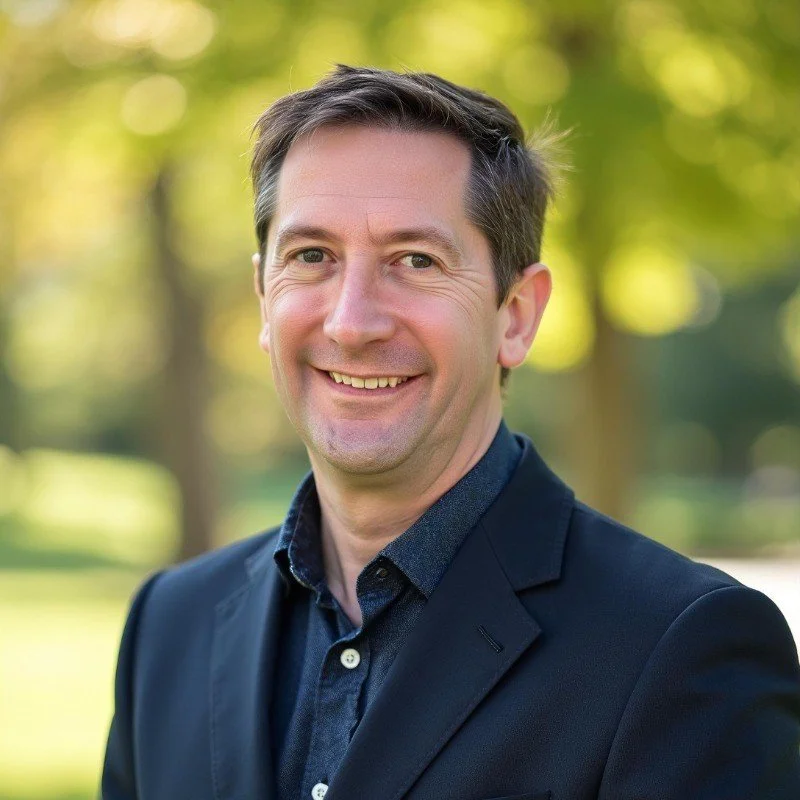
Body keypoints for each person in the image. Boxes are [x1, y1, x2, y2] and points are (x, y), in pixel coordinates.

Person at [101, 65, 800, 800]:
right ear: (263, 299)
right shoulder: (169, 627)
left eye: (415, 261)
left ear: (517, 315)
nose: (352, 321)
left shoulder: (679, 648)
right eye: (312, 257)